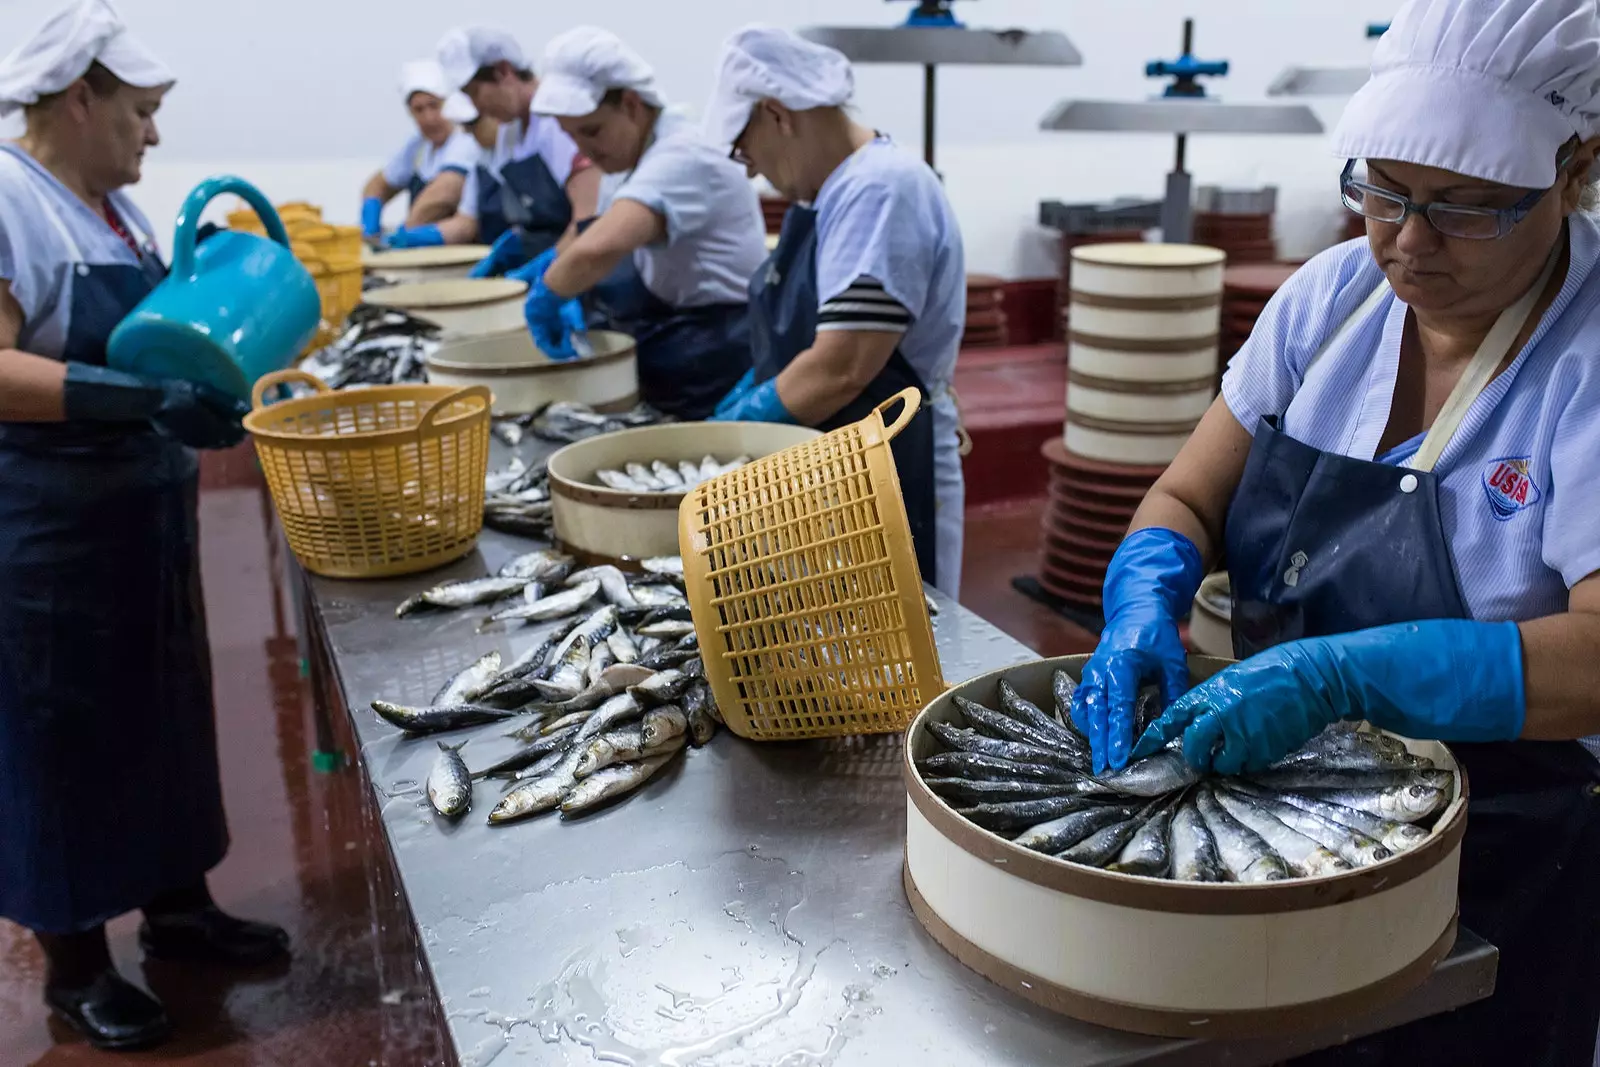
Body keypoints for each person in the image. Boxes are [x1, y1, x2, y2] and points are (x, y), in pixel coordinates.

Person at [1073, 0, 1600, 1062]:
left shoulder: (1585, 360)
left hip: (1500, 847)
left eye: (1464, 205)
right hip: (1275, 793)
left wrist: (1336, 678)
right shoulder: (1332, 298)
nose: (1407, 241)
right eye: (1384, 190)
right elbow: (1187, 494)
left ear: (1576, 166)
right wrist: (1145, 593)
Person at [0, 0, 290, 1052]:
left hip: (139, 507)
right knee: (60, 734)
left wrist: (194, 389)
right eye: (142, 111)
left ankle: (180, 906)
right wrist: (131, 397)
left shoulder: (108, 206)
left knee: (163, 711)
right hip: (46, 524)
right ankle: (76, 967)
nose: (153, 135)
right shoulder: (9, 197)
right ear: (80, 97)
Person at [699, 26, 967, 597]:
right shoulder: (829, 196)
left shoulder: (880, 188)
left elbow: (841, 367)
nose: (750, 171)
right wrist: (755, 386)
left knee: (904, 643)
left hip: (892, 466)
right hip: (839, 463)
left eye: (746, 151)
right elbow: (807, 341)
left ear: (777, 114)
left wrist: (725, 440)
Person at [517, 26, 765, 419]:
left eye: (592, 131)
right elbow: (592, 233)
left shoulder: (683, 154)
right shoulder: (627, 156)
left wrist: (548, 296)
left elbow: (598, 248)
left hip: (718, 349)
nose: (585, 150)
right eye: (572, 137)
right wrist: (555, 265)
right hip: (673, 336)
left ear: (631, 104)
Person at [408, 26, 600, 269]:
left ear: (503, 71)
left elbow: (589, 220)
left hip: (581, 270)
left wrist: (550, 274)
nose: (476, 106)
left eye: (475, 93)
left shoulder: (556, 121)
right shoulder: (509, 133)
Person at [358, 59, 480, 243]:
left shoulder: (465, 138)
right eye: (419, 109)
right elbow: (379, 184)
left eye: (434, 106)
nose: (428, 118)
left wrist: (403, 235)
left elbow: (443, 194)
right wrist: (370, 220)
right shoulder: (419, 145)